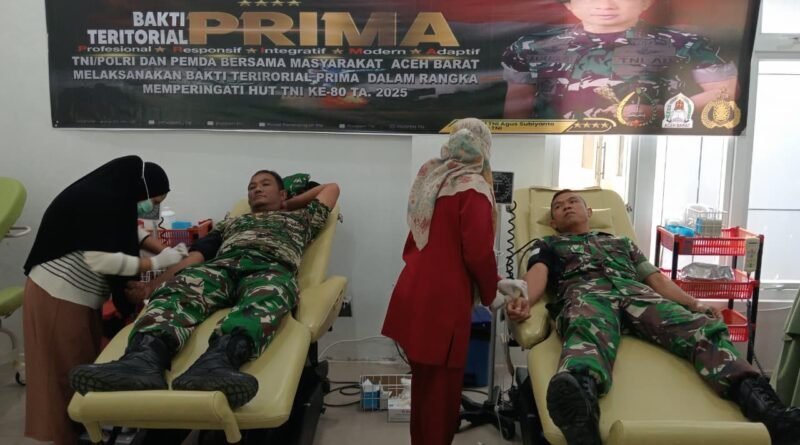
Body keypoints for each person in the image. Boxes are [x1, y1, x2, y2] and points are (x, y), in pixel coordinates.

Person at [522, 189, 800, 445]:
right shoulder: (548, 244)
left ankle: (770, 412)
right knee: (586, 329)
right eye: (558, 206)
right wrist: (525, 300)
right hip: (587, 293)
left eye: (573, 201)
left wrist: (694, 304)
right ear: (553, 222)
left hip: (638, 295)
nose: (566, 206)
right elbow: (538, 274)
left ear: (589, 212)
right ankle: (581, 413)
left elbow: (656, 279)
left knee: (701, 328)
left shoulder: (622, 242)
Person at [69, 170, 340, 410]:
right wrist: (152, 286)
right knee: (181, 287)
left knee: (272, 293)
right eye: (251, 186)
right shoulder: (232, 222)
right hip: (220, 269)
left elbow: (331, 188)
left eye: (264, 184)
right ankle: (143, 360)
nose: (256, 189)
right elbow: (195, 258)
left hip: (269, 268)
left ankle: (218, 362)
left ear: (282, 193)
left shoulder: (302, 218)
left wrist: (286, 204)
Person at [382, 118, 529, 445]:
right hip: (443, 305)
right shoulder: (473, 187)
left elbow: (439, 245)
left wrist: (496, 281)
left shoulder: (433, 180)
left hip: (414, 292)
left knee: (424, 390)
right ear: (484, 148)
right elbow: (476, 252)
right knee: (441, 398)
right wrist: (491, 293)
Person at [22, 155, 187, 445]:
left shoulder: (109, 199)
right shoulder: (97, 201)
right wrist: (154, 270)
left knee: (82, 367)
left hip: (78, 299)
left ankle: (83, 433)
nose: (151, 209)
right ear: (141, 188)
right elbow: (110, 263)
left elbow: (128, 230)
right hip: (58, 296)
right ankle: (64, 437)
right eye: (152, 201)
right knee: (62, 379)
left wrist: (166, 252)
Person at [502, 0, 739, 125]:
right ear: (568, 3)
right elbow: (516, 112)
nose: (605, 5)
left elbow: (727, 92)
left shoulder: (686, 43)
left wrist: (659, 111)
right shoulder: (530, 46)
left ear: (646, 2)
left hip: (649, 139)